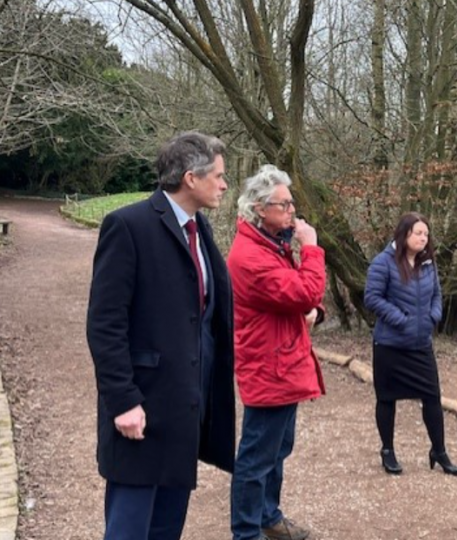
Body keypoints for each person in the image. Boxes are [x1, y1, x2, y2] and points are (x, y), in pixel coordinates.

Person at [86, 131, 235, 540]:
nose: (224, 184)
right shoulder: (128, 225)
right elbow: (105, 322)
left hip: (183, 415)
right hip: (141, 413)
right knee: (129, 532)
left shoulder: (199, 229)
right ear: (191, 177)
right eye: (219, 176)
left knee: (166, 532)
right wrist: (123, 402)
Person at [227, 165, 326, 540]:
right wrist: (312, 247)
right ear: (259, 208)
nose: (292, 211)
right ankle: (246, 532)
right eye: (284, 204)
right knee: (256, 458)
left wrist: (312, 309)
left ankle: (268, 517)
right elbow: (303, 291)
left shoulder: (271, 243)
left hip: (282, 361)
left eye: (291, 203)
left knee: (278, 449)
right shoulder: (250, 255)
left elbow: (297, 294)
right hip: (268, 366)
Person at [363, 212, 457, 476]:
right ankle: (388, 451)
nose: (423, 238)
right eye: (418, 233)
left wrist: (434, 316)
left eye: (426, 234)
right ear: (404, 234)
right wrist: (400, 319)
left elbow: (437, 294)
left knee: (432, 397)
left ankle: (439, 451)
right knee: (386, 399)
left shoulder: (428, 263)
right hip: (390, 345)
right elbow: (371, 298)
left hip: (420, 344)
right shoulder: (383, 263)